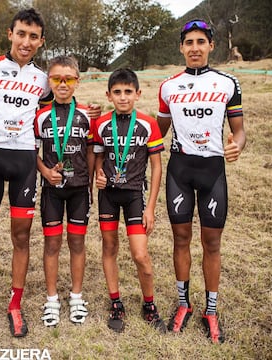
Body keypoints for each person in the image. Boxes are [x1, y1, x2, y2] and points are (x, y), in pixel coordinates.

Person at [0, 8, 101, 337]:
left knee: (21, 236)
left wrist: (91, 110)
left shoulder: (42, 79)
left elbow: (65, 98)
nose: (26, 41)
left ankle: (15, 304)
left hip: (24, 163)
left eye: (33, 36)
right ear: (10, 34)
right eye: (21, 33)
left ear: (40, 41)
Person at [157, 19, 246, 344]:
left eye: (201, 42)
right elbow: (159, 131)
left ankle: (211, 309)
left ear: (211, 46)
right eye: (189, 42)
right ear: (181, 48)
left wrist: (238, 144)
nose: (195, 48)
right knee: (180, 240)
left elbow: (238, 130)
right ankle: (184, 305)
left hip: (213, 173)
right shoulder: (168, 86)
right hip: (180, 170)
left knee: (212, 243)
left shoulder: (228, 82)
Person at [94, 68, 166, 333]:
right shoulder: (101, 123)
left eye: (127, 92)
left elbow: (157, 168)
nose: (122, 97)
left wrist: (151, 208)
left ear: (137, 94)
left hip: (135, 195)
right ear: (109, 95)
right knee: (109, 247)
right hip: (108, 197)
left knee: (140, 254)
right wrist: (98, 175)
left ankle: (149, 305)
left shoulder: (148, 123)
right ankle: (116, 303)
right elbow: (99, 159)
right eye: (117, 92)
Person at [34, 55, 94, 327]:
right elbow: (31, 151)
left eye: (68, 79)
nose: (62, 83)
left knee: (77, 242)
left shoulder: (87, 116)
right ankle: (51, 300)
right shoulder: (41, 117)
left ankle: (76, 297)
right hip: (51, 190)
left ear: (77, 82)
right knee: (52, 244)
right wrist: (45, 171)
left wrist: (91, 180)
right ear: (50, 81)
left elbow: (93, 151)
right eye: (57, 78)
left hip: (79, 189)